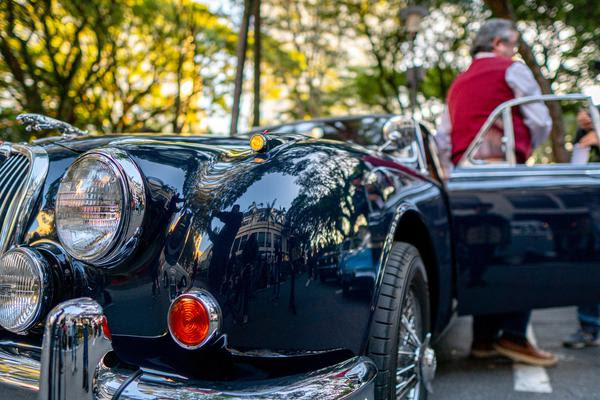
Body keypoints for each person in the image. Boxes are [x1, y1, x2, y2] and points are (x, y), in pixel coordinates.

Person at [436, 18, 557, 367]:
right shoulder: (511, 70)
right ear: (499, 43)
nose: (515, 50)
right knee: (523, 247)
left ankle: (484, 340)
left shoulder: (458, 84)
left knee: (484, 252)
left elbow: (444, 138)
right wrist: (523, 150)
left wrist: (455, 170)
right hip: (504, 169)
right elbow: (540, 118)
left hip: (466, 176)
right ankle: (514, 336)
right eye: (513, 43)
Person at [563, 107, 600, 348]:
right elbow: (575, 169)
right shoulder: (581, 137)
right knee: (590, 262)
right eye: (581, 112)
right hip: (590, 208)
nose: (583, 116)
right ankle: (589, 326)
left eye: (589, 112)